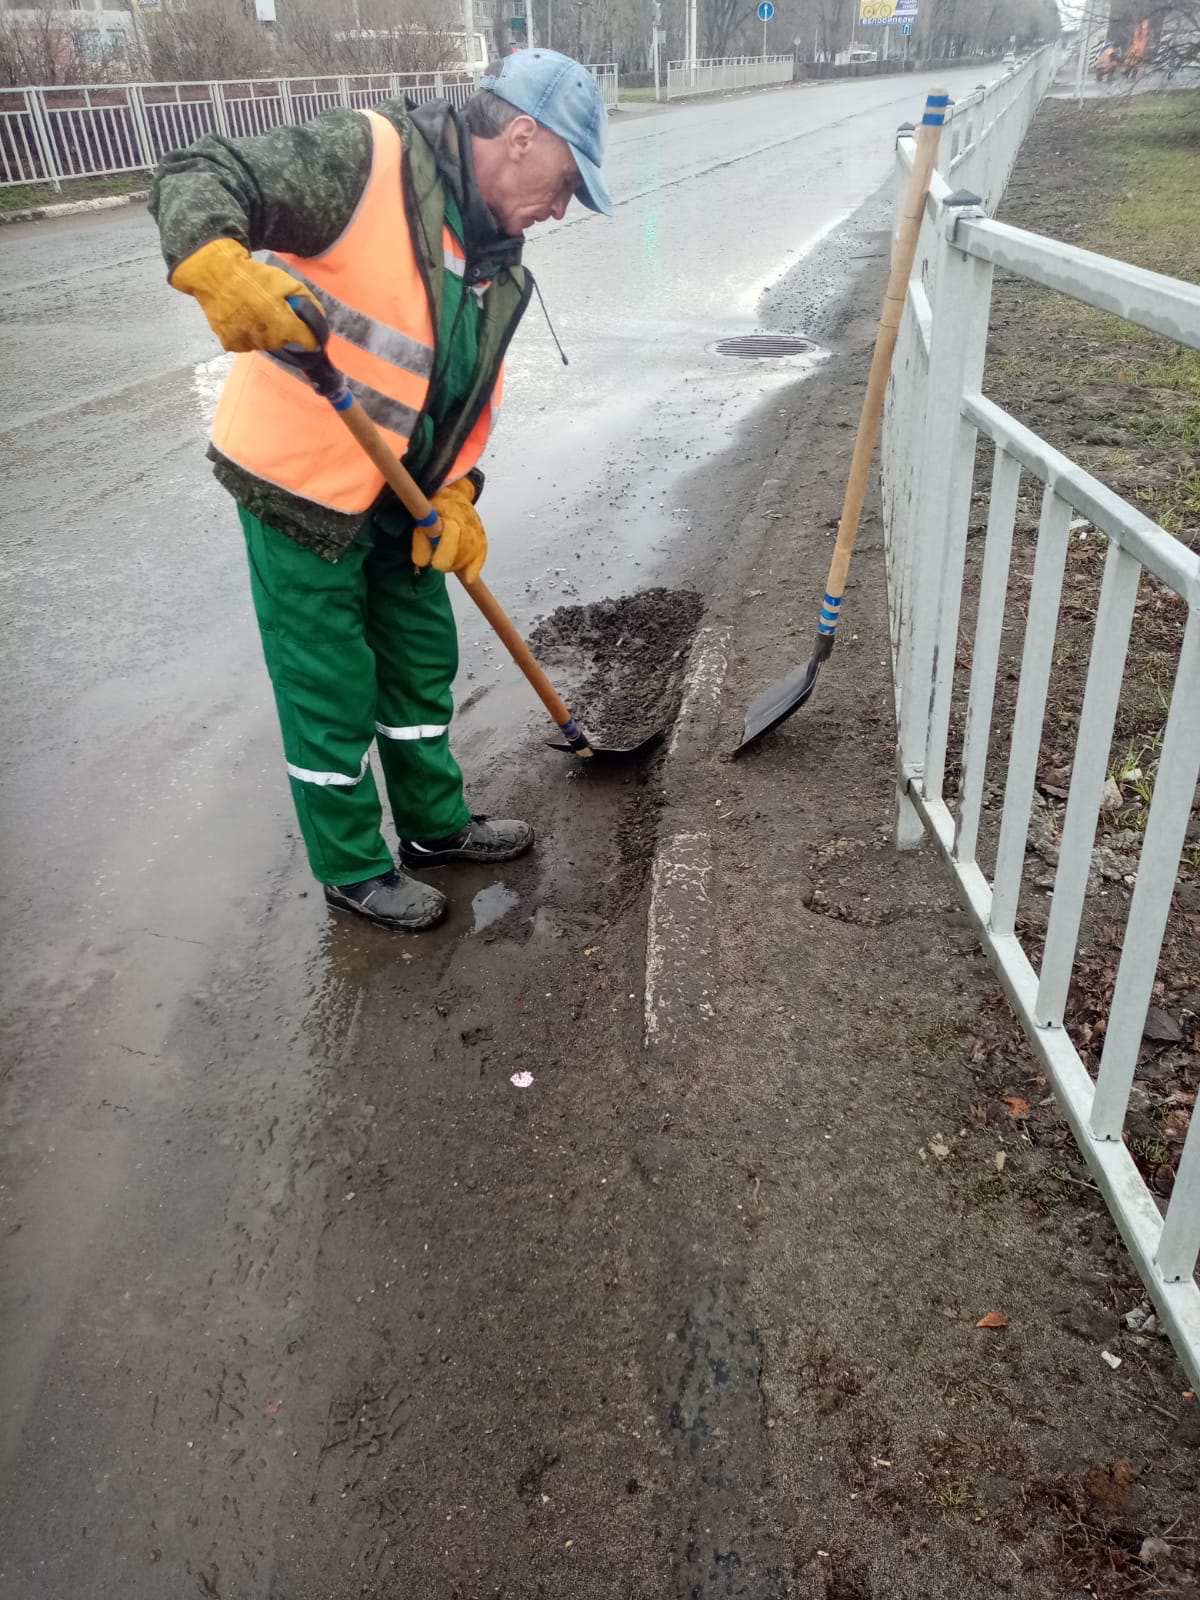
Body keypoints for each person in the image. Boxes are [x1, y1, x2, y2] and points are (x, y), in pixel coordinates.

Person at [151, 50, 612, 932]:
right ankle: (354, 866)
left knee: (417, 665)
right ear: (522, 137)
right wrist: (215, 260)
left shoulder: (498, 266)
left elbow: (468, 402)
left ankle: (435, 830)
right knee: (329, 686)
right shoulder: (370, 161)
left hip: (403, 495)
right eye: (565, 182)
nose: (561, 208)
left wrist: (462, 492)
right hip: (299, 483)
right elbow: (205, 171)